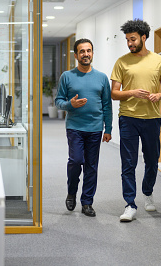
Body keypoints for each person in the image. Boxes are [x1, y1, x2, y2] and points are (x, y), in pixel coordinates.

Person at [110, 19, 161, 222]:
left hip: (152, 118)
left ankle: (148, 192)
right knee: (128, 163)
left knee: (152, 160)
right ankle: (129, 204)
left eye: (133, 39)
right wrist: (133, 92)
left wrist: (159, 96)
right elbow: (114, 94)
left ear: (144, 37)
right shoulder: (122, 62)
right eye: (127, 40)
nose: (130, 43)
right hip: (128, 118)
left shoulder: (159, 62)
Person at [55, 39, 113, 217]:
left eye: (89, 51)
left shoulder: (102, 77)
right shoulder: (67, 76)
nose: (85, 54)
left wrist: (108, 128)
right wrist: (70, 104)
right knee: (75, 161)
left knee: (91, 166)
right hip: (75, 127)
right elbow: (58, 102)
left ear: (92, 53)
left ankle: (87, 202)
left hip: (95, 128)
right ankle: (72, 192)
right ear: (76, 55)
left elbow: (107, 105)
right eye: (82, 51)